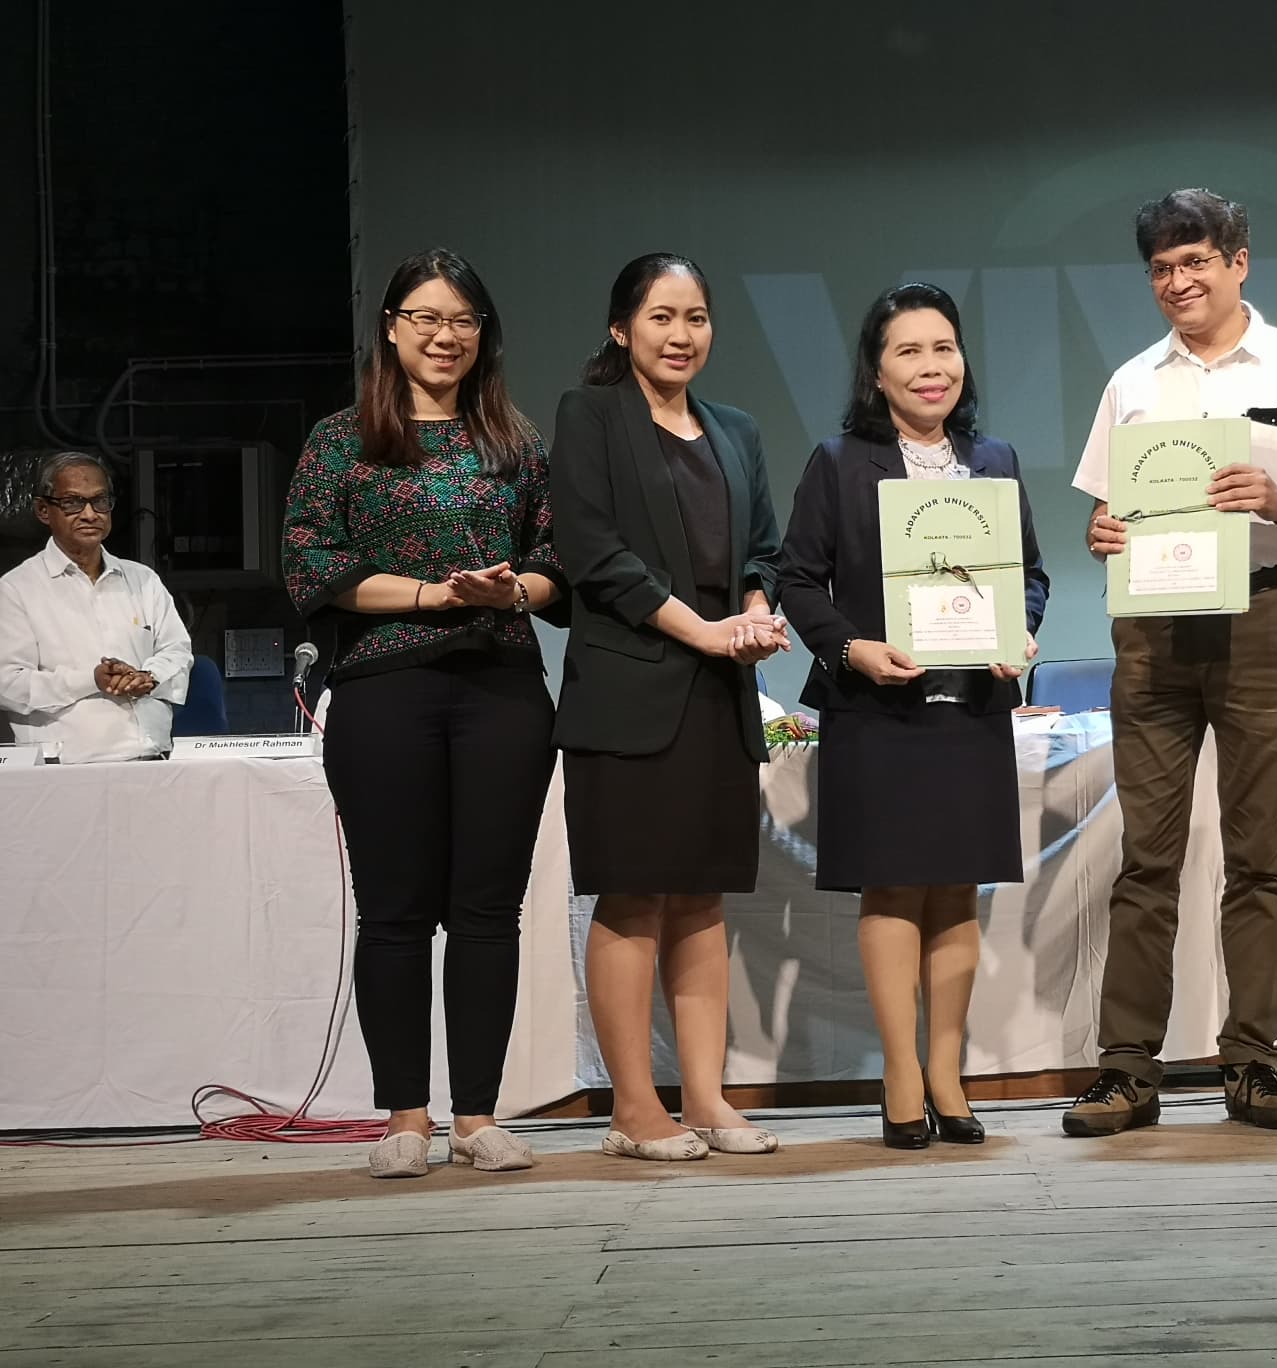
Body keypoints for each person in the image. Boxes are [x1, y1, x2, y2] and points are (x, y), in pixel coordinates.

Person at [1066, 189, 1277, 1137]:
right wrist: (1103, 530)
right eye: (1161, 268)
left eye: (1195, 261)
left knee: (1257, 858)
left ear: (1239, 262)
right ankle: (1126, 1072)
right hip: (1155, 631)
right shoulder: (1133, 383)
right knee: (1146, 858)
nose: (1177, 282)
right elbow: (1098, 516)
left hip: (1264, 620)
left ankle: (1252, 1062)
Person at [283, 248, 564, 1179]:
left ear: (485, 336)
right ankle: (404, 1115)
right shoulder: (341, 439)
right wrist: (435, 597)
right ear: (393, 328)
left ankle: (478, 1116)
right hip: (382, 691)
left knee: (489, 909)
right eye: (427, 318)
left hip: (502, 688)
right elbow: (310, 566)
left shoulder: (515, 443)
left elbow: (559, 566)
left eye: (465, 321)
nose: (447, 336)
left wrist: (505, 589)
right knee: (396, 912)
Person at [777, 282, 1049, 1150]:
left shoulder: (995, 459)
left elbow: (1029, 574)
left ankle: (947, 1075)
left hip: (970, 705)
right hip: (877, 705)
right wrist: (852, 649)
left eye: (944, 348)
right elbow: (794, 580)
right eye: (909, 351)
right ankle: (899, 1075)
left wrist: (1022, 633)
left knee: (957, 888)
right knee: (894, 886)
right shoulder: (837, 461)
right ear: (877, 370)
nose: (932, 368)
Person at [550, 253, 788, 1163]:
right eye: (660, 317)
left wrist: (757, 614)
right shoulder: (591, 416)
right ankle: (632, 1111)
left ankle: (707, 1097)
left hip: (718, 697)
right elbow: (594, 555)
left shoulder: (735, 429)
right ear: (621, 330)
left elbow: (762, 549)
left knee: (700, 900)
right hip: (629, 693)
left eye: (695, 317)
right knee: (633, 898)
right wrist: (707, 632)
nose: (680, 334)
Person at [0, 451, 192, 762]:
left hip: (152, 758)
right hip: (67, 767)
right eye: (73, 502)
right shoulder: (16, 589)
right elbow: (8, 683)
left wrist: (147, 676)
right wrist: (91, 680)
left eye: (100, 501)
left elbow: (178, 650)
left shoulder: (142, 579)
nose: (90, 514)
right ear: (42, 510)